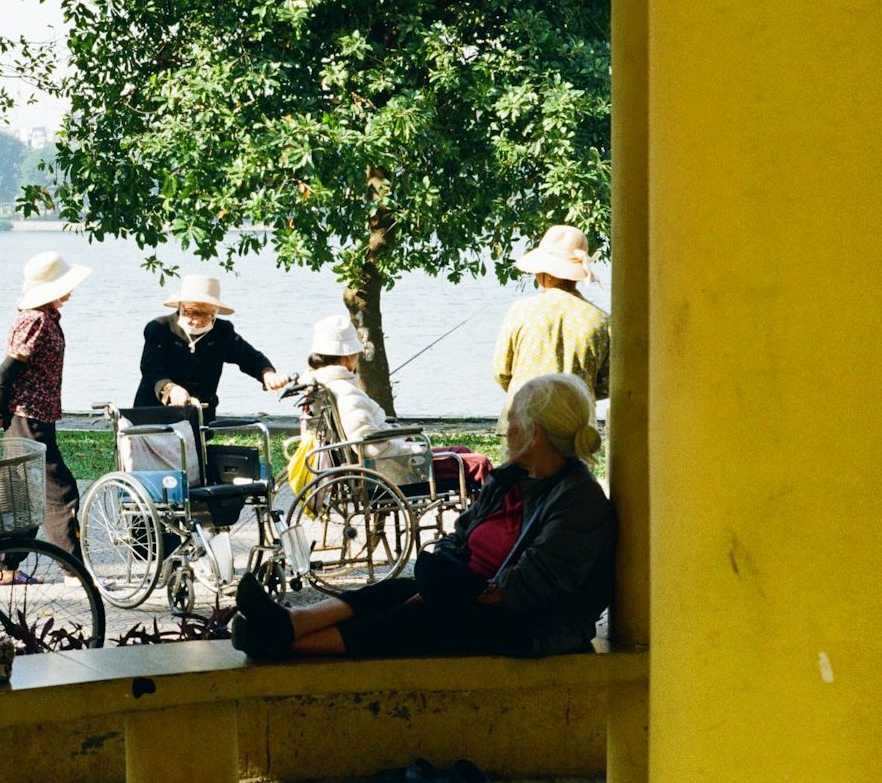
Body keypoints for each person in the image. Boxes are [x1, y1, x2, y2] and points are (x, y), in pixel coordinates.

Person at [231, 372, 615, 660]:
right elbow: (460, 535)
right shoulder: (511, 479)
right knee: (395, 590)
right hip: (475, 593)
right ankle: (291, 623)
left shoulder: (578, 500)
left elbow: (527, 588)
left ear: (535, 434)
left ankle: (283, 644)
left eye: (512, 422)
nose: (505, 431)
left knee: (420, 618)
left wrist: (456, 593)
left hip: (531, 624)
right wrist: (442, 577)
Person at [0, 251, 91, 579]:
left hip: (35, 416)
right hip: (27, 418)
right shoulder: (35, 319)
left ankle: (7, 570)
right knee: (60, 492)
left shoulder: (45, 316)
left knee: (27, 496)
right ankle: (75, 573)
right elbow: (7, 371)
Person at [298, 315, 492, 486]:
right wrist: (413, 448)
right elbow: (371, 446)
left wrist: (400, 438)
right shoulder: (346, 393)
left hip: (383, 461)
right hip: (389, 469)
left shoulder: (325, 387)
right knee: (479, 463)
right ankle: (493, 514)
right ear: (348, 356)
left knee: (462, 450)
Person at [493, 225, 610, 428]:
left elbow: (502, 371)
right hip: (576, 425)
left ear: (547, 274)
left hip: (522, 422)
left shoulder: (521, 310)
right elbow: (608, 382)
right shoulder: (601, 320)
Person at [133, 274, 290, 424]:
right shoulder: (160, 328)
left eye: (206, 314)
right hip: (153, 412)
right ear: (181, 306)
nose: (197, 320)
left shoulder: (223, 332)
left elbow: (249, 357)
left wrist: (267, 374)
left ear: (215, 312)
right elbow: (150, 368)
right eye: (192, 312)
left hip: (200, 414)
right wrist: (170, 389)